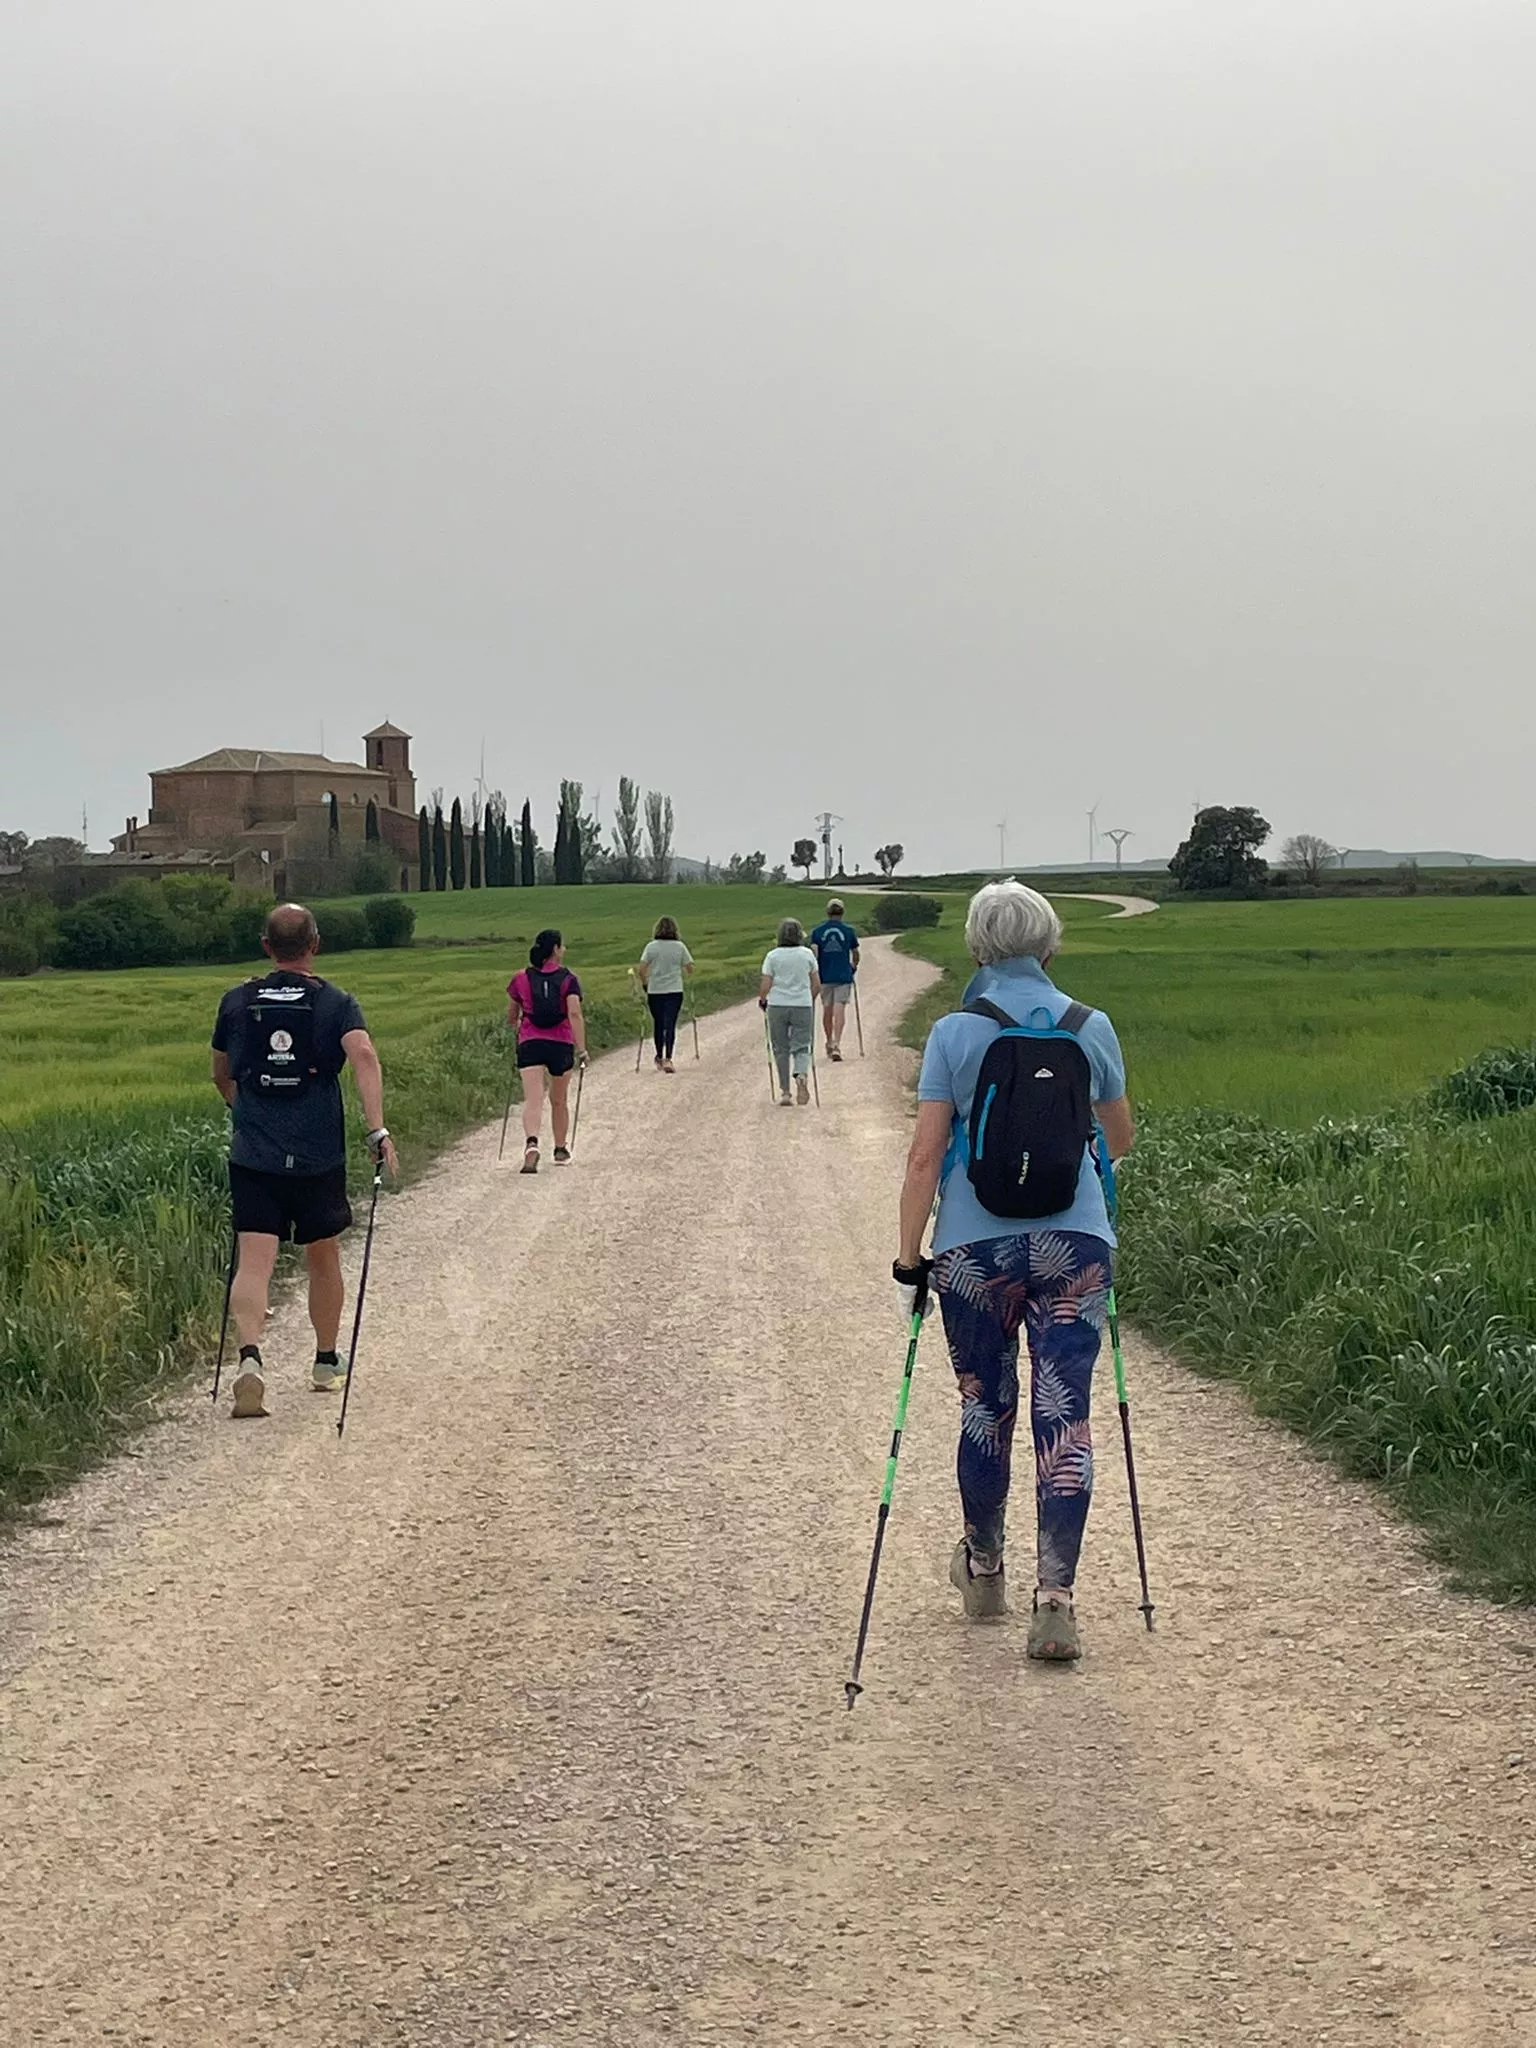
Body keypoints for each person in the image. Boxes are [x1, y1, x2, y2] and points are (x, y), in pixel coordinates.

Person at [893, 881, 1135, 1662]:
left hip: (975, 1250)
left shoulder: (954, 1033)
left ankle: (985, 1567)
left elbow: (925, 1155)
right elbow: (1119, 1138)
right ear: (1050, 946)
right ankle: (1055, 1602)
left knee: (983, 1406)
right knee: (1064, 1417)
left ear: (977, 949)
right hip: (1075, 1245)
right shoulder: (1091, 1026)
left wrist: (909, 1259)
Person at [211, 901, 398, 1420]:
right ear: (315, 944)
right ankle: (325, 1361)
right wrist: (376, 1129)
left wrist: (244, 1111)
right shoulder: (336, 1001)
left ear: (266, 947)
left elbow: (220, 1073)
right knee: (323, 1256)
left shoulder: (237, 1000)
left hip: (254, 1153)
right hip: (317, 1154)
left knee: (255, 1260)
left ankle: (250, 1358)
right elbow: (364, 1056)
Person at [507, 928, 588, 1173]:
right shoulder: (569, 979)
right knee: (558, 1100)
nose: (564, 950)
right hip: (560, 1043)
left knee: (533, 1099)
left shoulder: (520, 978)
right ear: (555, 949)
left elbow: (512, 1015)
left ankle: (531, 1145)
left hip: (530, 1042)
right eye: (562, 946)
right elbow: (574, 1013)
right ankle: (560, 1148)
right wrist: (582, 1049)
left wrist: (520, 1029)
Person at [759, 917, 821, 1106]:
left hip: (778, 1005)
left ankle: (786, 1092)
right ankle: (801, 1074)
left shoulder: (772, 956)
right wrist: (809, 999)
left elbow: (766, 984)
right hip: (802, 1004)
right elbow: (816, 984)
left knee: (780, 1048)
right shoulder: (807, 954)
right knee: (802, 1045)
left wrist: (763, 1000)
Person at [636, 915, 694, 1072]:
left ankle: (659, 1057)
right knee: (670, 1024)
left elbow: (641, 969)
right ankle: (668, 1058)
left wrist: (645, 983)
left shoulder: (651, 947)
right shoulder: (679, 946)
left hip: (655, 991)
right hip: (674, 991)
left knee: (659, 1024)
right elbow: (690, 968)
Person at [808, 897, 861, 1059]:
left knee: (827, 1009)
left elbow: (814, 954)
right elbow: (856, 954)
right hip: (843, 975)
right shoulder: (849, 931)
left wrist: (813, 973)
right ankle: (837, 1043)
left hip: (824, 976)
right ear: (842, 913)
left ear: (828, 912)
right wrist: (853, 966)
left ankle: (829, 1041)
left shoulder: (817, 932)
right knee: (840, 1009)